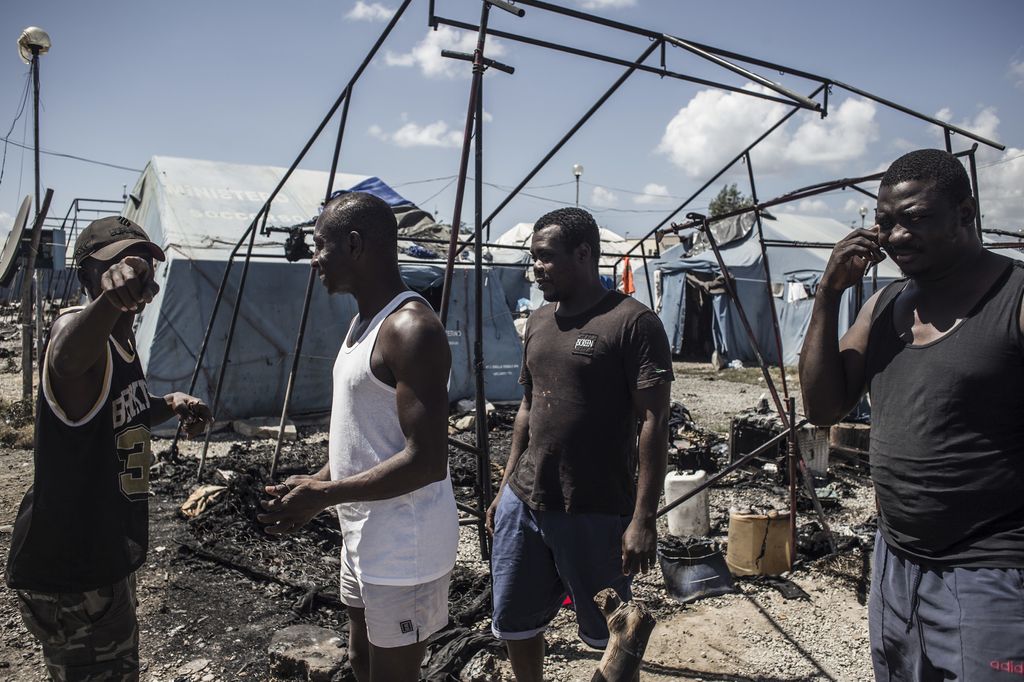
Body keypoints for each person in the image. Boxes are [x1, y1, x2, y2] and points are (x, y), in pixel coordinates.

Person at [799, 148, 1024, 680]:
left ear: (966, 214)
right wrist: (828, 296)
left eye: (917, 218)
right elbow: (823, 407)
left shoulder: (1013, 299)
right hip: (896, 560)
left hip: (990, 569)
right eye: (885, 223)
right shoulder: (883, 305)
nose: (897, 236)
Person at [257, 192, 458, 682]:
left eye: (320, 246)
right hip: (364, 534)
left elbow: (427, 460)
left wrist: (323, 496)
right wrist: (319, 479)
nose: (313, 260)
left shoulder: (411, 328)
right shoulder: (363, 322)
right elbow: (369, 436)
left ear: (353, 244)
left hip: (404, 546)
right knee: (359, 661)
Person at [5, 215, 213, 680]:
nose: (136, 273)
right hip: (73, 572)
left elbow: (124, 406)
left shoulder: (120, 338)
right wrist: (108, 299)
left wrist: (170, 403)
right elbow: (65, 358)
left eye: (143, 264)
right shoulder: (80, 334)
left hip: (99, 557)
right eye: (117, 265)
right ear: (86, 278)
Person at [485, 207, 672, 681]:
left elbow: (654, 420)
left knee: (613, 634)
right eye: (533, 258)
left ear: (584, 253)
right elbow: (528, 408)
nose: (536, 269)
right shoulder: (540, 321)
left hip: (596, 508)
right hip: (525, 503)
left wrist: (643, 519)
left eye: (546, 258)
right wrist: (505, 487)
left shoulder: (633, 323)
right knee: (516, 624)